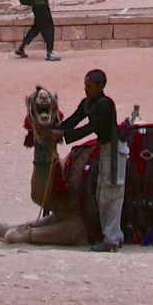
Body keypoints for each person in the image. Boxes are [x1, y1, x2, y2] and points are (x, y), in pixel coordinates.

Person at [50, 69, 127, 252]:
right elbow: (74, 120)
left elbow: (90, 128)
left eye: (89, 86)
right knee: (102, 193)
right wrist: (55, 128)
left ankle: (112, 240)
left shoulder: (105, 105)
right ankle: (111, 235)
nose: (86, 89)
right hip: (105, 149)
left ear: (100, 87)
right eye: (85, 85)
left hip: (114, 151)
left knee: (111, 193)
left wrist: (63, 134)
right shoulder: (88, 103)